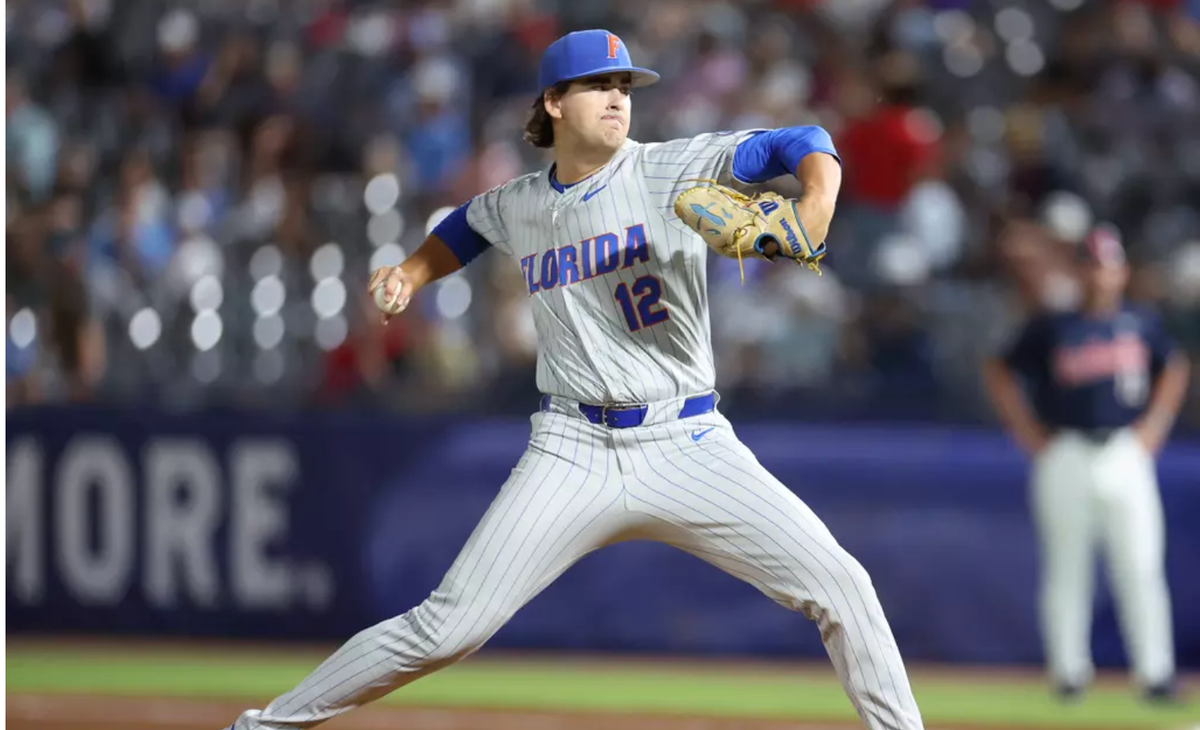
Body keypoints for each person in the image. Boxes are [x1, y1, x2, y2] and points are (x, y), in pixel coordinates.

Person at [228, 30, 925, 730]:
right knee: (447, 628)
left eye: (625, 86)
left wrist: (814, 208)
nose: (618, 98)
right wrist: (410, 273)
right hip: (573, 448)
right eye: (600, 85)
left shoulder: (671, 168)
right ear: (554, 102)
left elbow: (799, 139)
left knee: (841, 584)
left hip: (689, 442)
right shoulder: (522, 202)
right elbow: (468, 226)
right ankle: (262, 726)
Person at [982, 223, 1190, 704]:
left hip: (1124, 450)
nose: (1101, 274)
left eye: (1108, 264)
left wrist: (1155, 424)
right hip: (1067, 451)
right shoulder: (1055, 325)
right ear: (1080, 271)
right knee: (1067, 567)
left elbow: (1174, 365)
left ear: (1122, 271)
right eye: (1093, 263)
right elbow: (999, 368)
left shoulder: (1140, 323)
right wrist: (1027, 431)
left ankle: (1154, 675)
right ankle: (1069, 673)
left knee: (1140, 566)